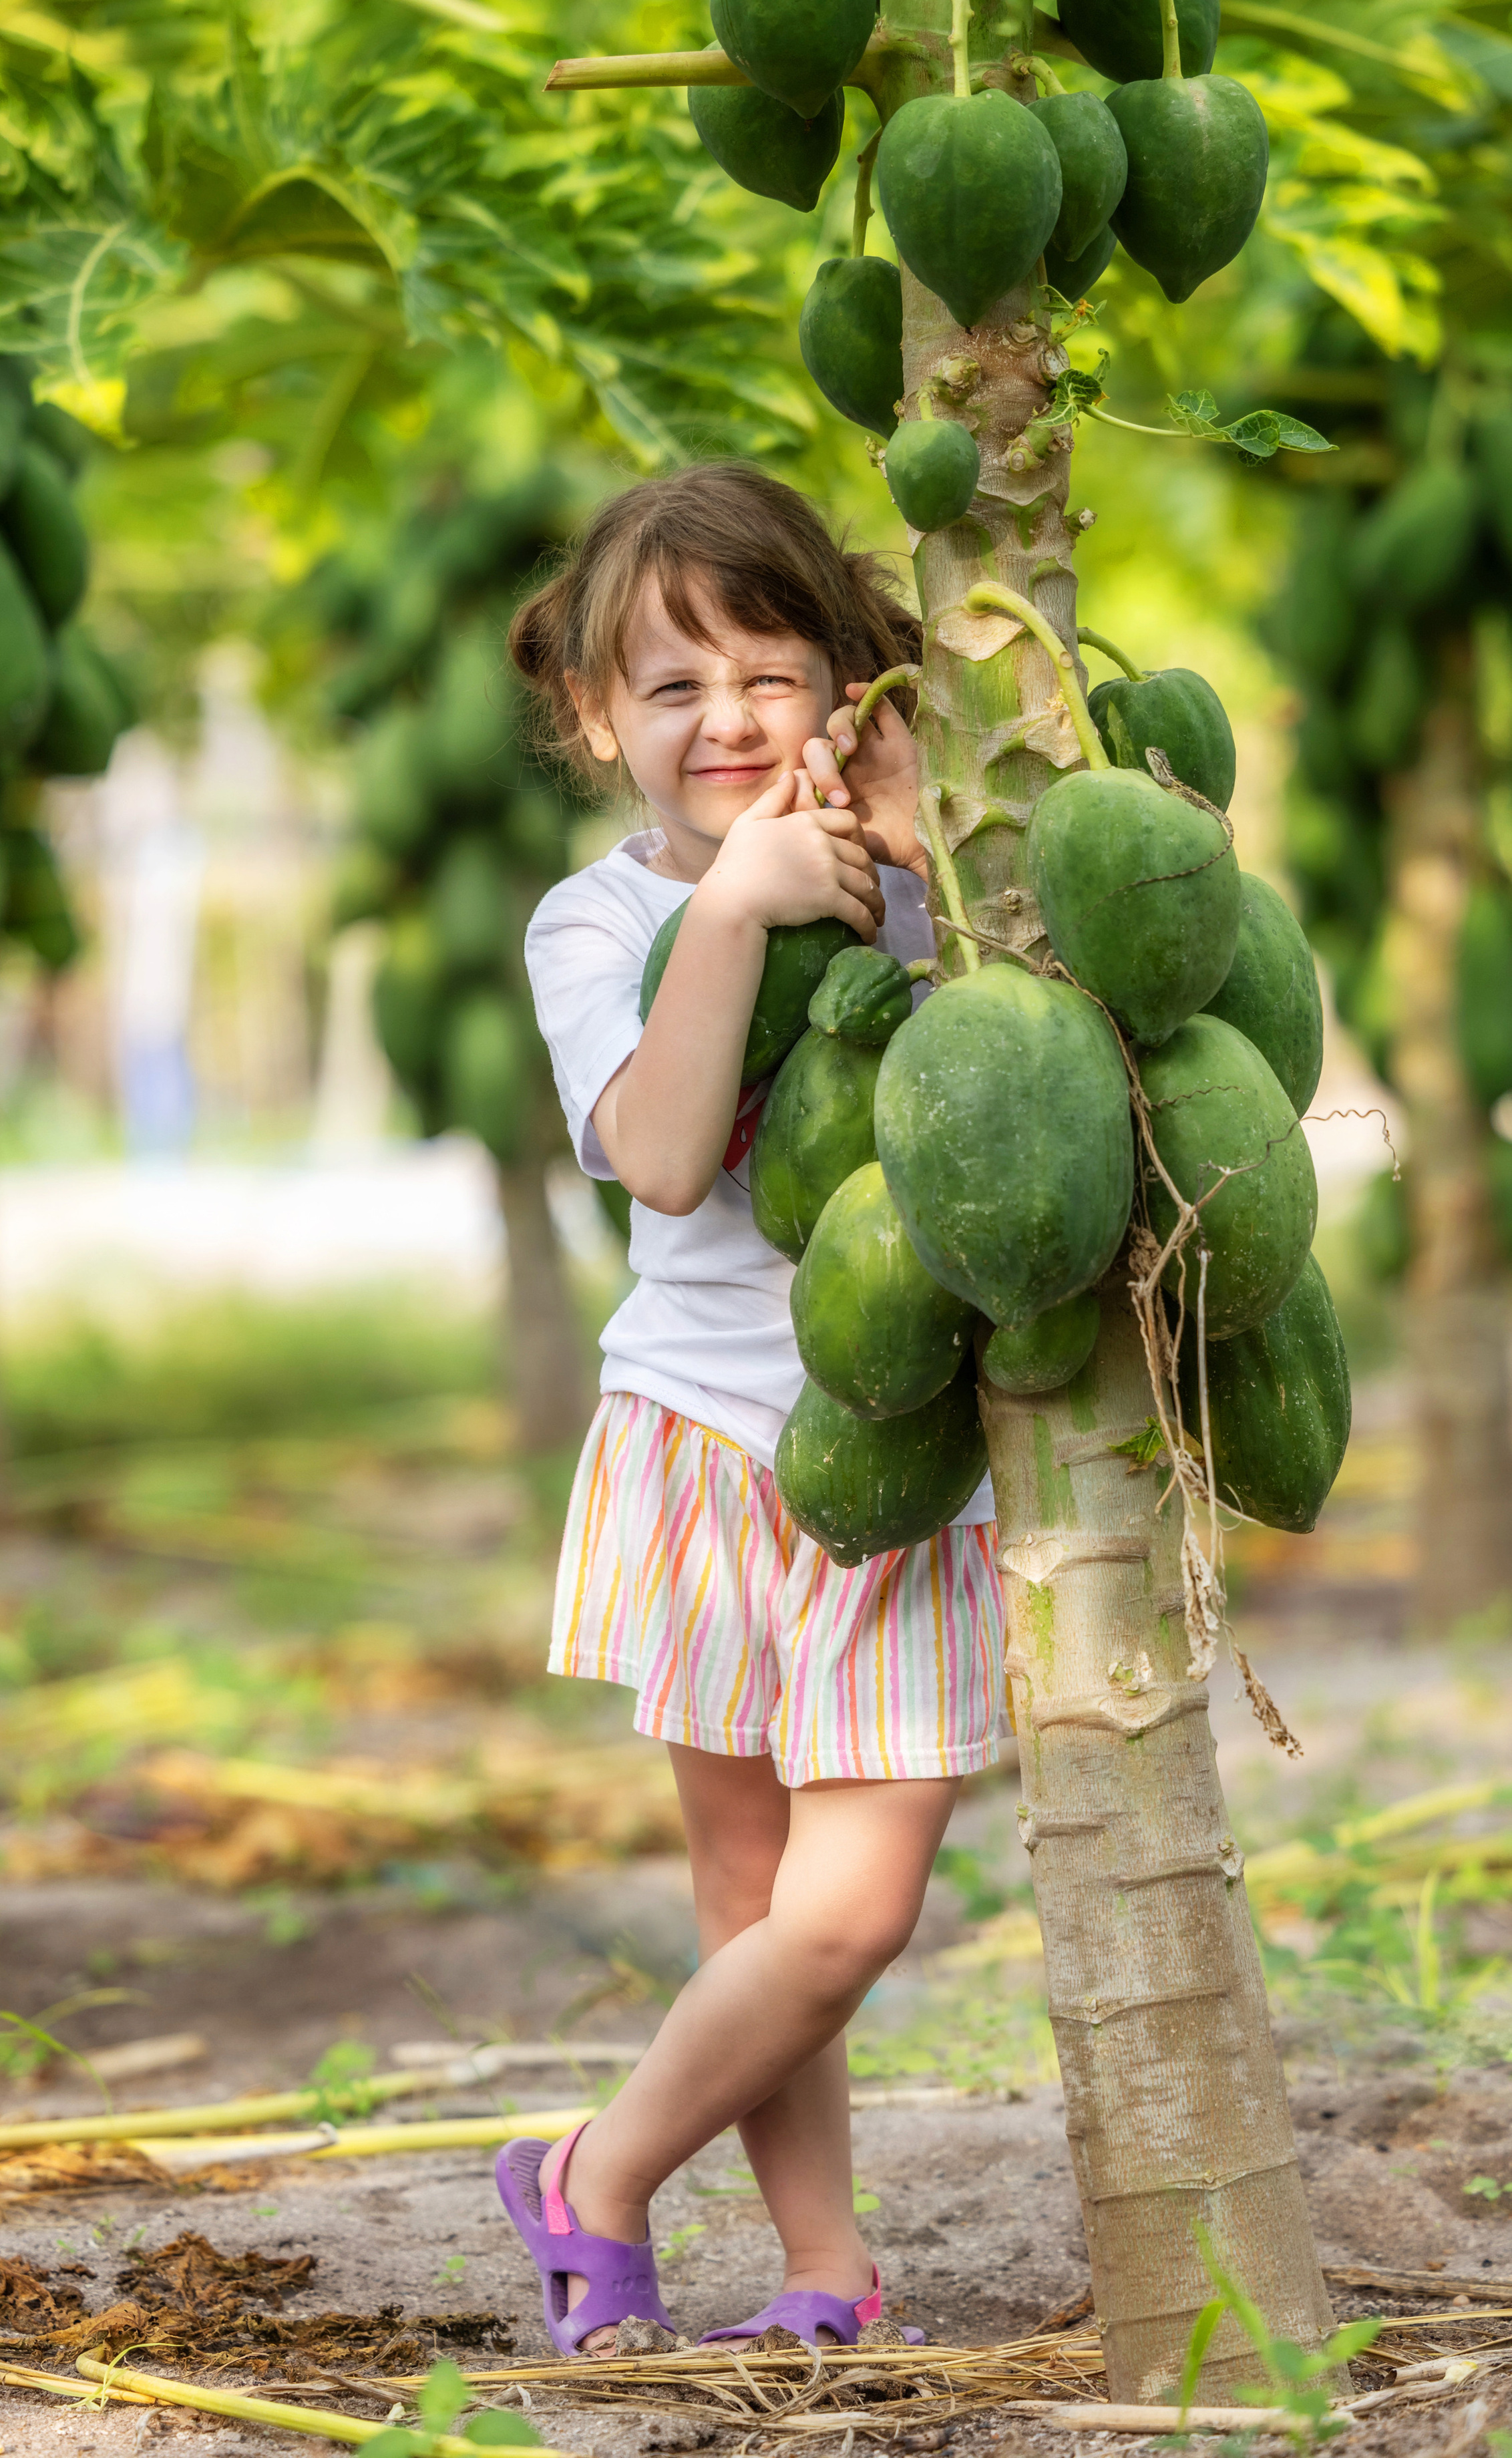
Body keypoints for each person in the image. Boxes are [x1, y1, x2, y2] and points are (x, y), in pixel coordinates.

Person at [498, 463, 1002, 2359]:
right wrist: (736, 919)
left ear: (850, 683)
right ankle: (826, 2268)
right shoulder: (592, 920)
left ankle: (593, 2178)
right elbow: (660, 1158)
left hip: (897, 1463)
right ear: (593, 716)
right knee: (748, 1900)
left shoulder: (924, 878)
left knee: (846, 1916)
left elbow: (1014, 1069)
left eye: (770, 677)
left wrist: (907, 873)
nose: (724, 724)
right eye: (671, 689)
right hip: (700, 1448)